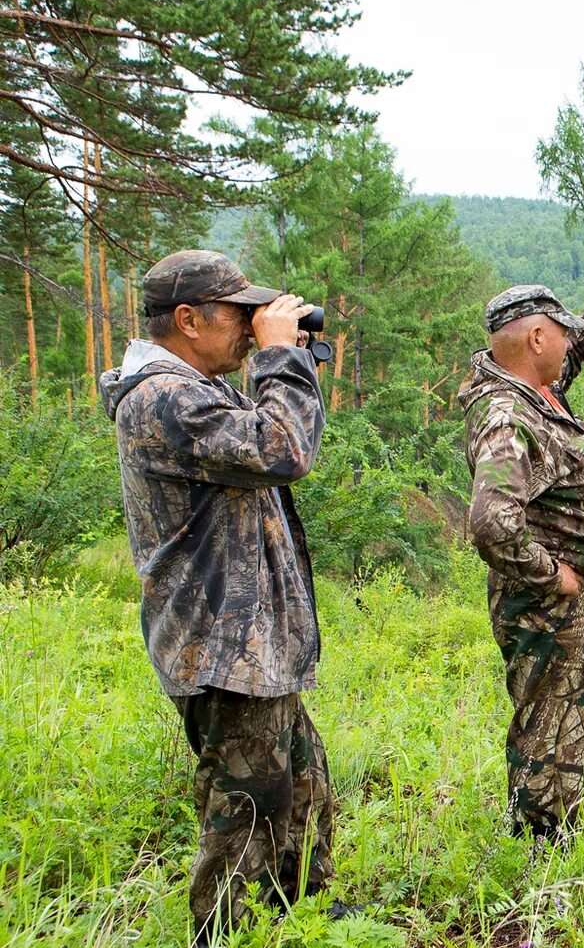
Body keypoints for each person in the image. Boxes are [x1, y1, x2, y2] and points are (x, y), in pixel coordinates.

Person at [99, 250, 330, 945]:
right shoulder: (161, 397)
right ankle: (224, 932)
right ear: (187, 318)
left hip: (253, 645)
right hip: (223, 646)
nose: (250, 326)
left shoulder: (198, 387)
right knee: (246, 819)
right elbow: (283, 448)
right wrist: (281, 357)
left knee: (303, 793)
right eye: (239, 314)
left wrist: (288, 362)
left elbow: (278, 443)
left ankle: (303, 918)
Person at [459, 284, 584, 842]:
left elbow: (571, 356)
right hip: (543, 602)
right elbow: (492, 520)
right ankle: (541, 845)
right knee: (549, 720)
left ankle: (552, 830)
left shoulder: (532, 386)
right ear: (536, 337)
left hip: (558, 600)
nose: (570, 342)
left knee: (565, 712)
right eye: (561, 331)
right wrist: (556, 575)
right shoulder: (508, 418)